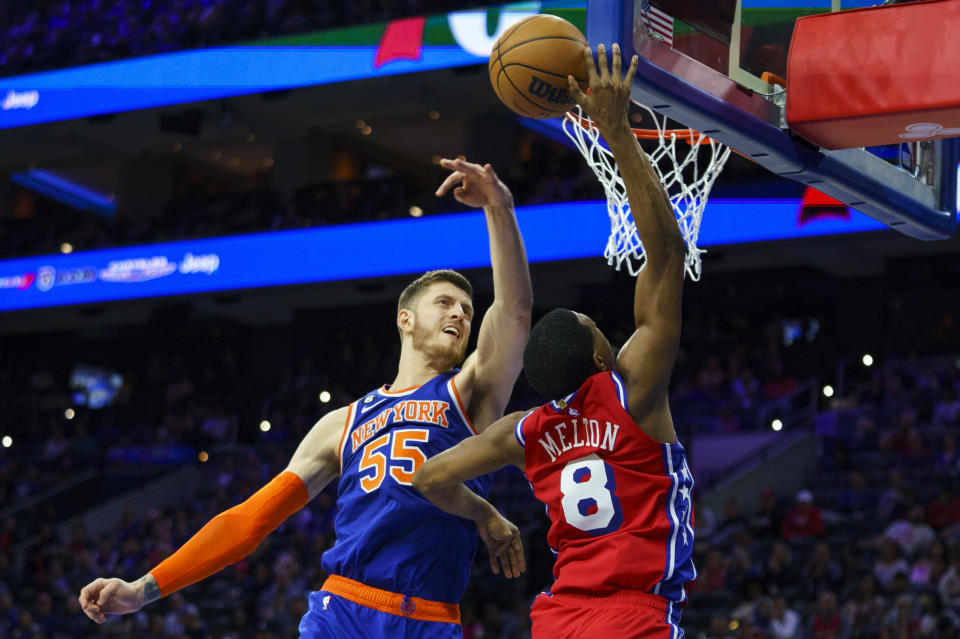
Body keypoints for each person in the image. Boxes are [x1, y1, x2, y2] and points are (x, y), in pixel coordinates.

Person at [78, 156, 533, 639]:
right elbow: (249, 521)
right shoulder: (342, 423)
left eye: (467, 309)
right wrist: (143, 589)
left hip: (431, 615)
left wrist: (499, 209)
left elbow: (515, 310)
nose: (460, 314)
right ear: (405, 319)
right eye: (444, 303)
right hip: (344, 610)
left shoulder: (473, 393)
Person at [413, 43, 694, 638]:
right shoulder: (633, 390)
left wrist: (489, 517)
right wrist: (616, 131)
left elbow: (428, 477)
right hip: (633, 617)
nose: (609, 330)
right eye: (599, 327)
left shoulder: (526, 430)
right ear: (600, 357)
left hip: (558, 619)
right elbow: (666, 253)